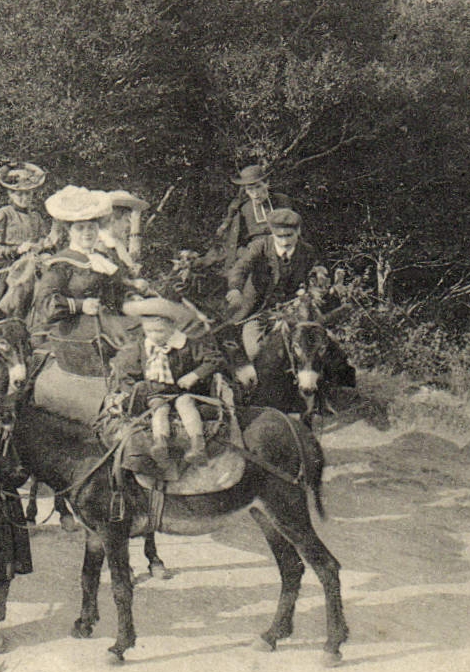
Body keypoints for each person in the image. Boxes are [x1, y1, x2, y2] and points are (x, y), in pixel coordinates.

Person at [31, 186, 151, 374]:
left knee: (155, 326)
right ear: (69, 232)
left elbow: (115, 291)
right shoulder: (62, 263)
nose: (87, 233)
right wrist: (80, 305)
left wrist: (131, 297)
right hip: (76, 327)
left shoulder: (101, 259)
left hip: (109, 320)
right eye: (80, 228)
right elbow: (45, 304)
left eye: (91, 228)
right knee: (137, 342)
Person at [110, 297, 227, 470]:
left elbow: (214, 359)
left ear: (172, 328)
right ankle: (160, 444)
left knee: (185, 404)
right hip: (158, 394)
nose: (155, 336)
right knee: (159, 409)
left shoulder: (187, 345)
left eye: (160, 331)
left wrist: (194, 375)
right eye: (150, 331)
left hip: (183, 392)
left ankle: (197, 446)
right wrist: (129, 391)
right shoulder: (144, 348)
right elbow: (129, 373)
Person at [226, 207, 320, 381]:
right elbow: (240, 268)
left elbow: (315, 272)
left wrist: (317, 285)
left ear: (298, 231)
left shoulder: (306, 251)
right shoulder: (260, 247)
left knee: (309, 343)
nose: (285, 242)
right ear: (272, 233)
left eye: (289, 236)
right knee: (256, 352)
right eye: (280, 236)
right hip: (257, 311)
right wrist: (235, 289)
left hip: (291, 310)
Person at [0, 162, 55, 299]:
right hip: (9, 267)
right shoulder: (2, 214)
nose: (25, 198)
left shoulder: (36, 217)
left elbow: (43, 240)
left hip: (36, 263)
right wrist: (17, 250)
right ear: (10, 194)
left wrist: (46, 245)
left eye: (28, 194)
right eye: (19, 194)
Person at [215, 164, 293, 273]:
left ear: (267, 183)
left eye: (258, 187)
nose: (255, 193)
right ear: (245, 191)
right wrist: (250, 254)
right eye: (250, 189)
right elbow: (236, 244)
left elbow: (299, 231)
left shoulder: (283, 201)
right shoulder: (244, 210)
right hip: (258, 261)